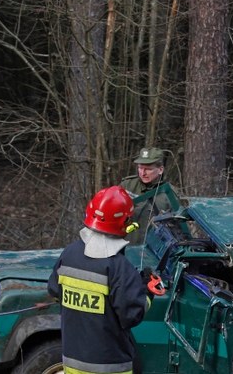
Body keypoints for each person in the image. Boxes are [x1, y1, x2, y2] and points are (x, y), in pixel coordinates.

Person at [47, 186, 151, 374]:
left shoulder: (69, 254)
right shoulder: (119, 267)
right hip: (110, 367)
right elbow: (131, 315)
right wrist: (147, 292)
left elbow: (55, 290)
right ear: (125, 222)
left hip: (72, 362)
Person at [120, 147, 175, 243]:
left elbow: (177, 226)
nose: (143, 173)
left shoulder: (169, 193)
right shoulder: (127, 185)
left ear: (160, 170)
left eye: (148, 169)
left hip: (153, 251)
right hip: (124, 246)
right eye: (140, 168)